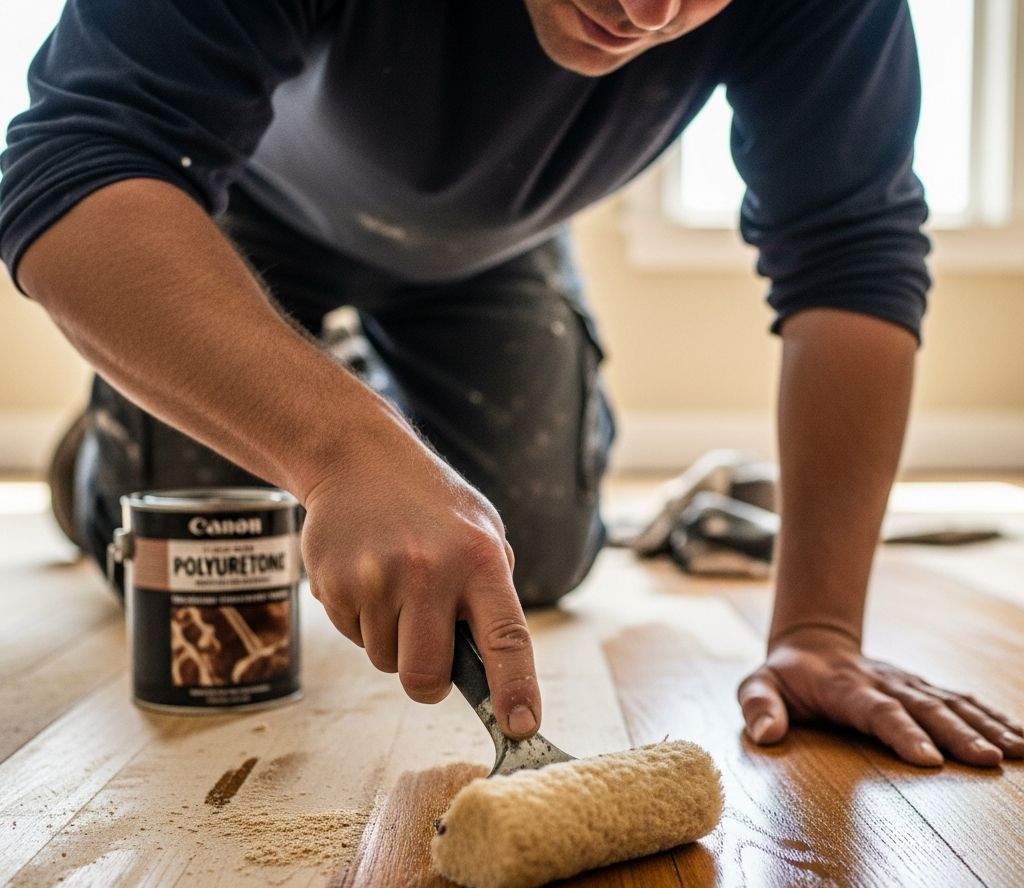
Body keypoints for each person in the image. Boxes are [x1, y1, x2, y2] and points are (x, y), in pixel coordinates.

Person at [2, 0, 1021, 768]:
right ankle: (165, 435)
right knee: (195, 548)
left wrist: (818, 629)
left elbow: (849, 254)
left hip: (494, 248)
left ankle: (360, 405)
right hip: (219, 208)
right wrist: (340, 453)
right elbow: (74, 153)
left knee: (526, 549)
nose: (649, 13)